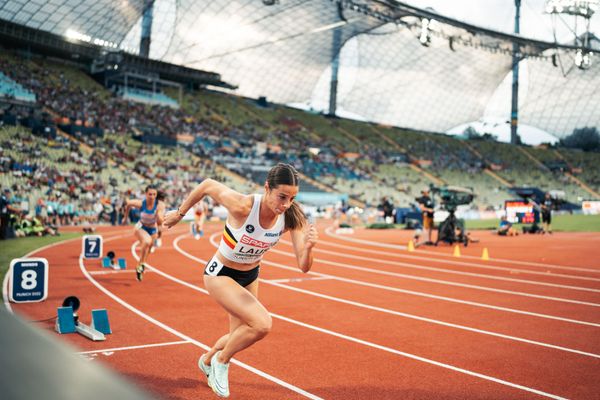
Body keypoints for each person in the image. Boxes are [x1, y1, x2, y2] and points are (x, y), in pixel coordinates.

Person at [162, 163, 318, 398]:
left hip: (250, 275)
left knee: (241, 333)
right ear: (267, 188)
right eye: (282, 197)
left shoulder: (291, 217)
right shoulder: (243, 205)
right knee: (262, 324)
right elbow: (207, 184)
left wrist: (309, 247)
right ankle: (221, 362)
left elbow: (304, 266)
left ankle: (206, 360)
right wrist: (179, 213)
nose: (285, 204)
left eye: (292, 198)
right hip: (221, 273)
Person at [123, 185, 165, 281]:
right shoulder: (141, 203)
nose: (152, 196)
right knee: (146, 241)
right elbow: (129, 204)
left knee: (149, 249)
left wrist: (158, 214)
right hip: (141, 227)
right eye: (150, 194)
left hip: (153, 229)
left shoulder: (160, 205)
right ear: (146, 194)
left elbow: (160, 222)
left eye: (154, 194)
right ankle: (140, 265)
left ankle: (140, 266)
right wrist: (125, 218)